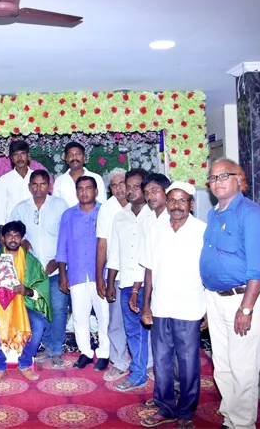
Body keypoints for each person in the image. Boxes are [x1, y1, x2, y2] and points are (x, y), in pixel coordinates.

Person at [200, 158, 260, 429]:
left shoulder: (251, 213)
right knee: (223, 365)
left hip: (242, 299)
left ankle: (243, 424)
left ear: (239, 179)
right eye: (213, 177)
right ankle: (231, 419)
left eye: (224, 176)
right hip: (216, 299)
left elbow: (258, 268)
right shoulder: (213, 214)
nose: (217, 182)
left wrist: (246, 308)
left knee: (243, 368)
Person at [139, 182, 208, 429]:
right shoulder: (155, 230)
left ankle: (186, 412)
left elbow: (209, 271)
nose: (177, 205)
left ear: (191, 204)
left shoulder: (202, 230)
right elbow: (149, 269)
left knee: (189, 364)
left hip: (190, 307)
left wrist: (208, 308)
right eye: (172, 200)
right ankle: (165, 407)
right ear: (166, 203)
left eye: (182, 200)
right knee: (162, 362)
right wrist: (146, 305)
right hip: (161, 306)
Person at [11, 170, 69, 368]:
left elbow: (66, 236)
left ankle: (57, 350)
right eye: (34, 184)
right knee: (39, 310)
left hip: (55, 268)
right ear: (29, 187)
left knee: (58, 309)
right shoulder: (21, 208)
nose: (38, 188)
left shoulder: (60, 205)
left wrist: (58, 261)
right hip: (33, 273)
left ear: (49, 186)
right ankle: (47, 345)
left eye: (42, 184)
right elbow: (12, 234)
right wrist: (23, 241)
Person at [0, 221, 52, 383]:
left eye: (17, 236)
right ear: (3, 238)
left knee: (39, 324)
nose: (13, 239)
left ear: (22, 239)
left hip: (23, 303)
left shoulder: (31, 261)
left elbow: (41, 287)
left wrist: (27, 291)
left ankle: (24, 364)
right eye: (9, 235)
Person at [55, 176, 110, 369]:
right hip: (76, 273)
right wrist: (63, 274)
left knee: (104, 316)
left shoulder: (105, 212)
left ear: (96, 191)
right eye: (80, 188)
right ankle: (85, 352)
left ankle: (104, 353)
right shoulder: (68, 215)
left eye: (88, 188)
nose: (84, 192)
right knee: (79, 316)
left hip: (101, 275)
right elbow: (62, 246)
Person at [104, 168, 152, 388]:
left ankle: (148, 369)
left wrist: (138, 288)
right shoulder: (120, 217)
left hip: (149, 285)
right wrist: (110, 283)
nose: (131, 190)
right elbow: (114, 252)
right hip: (125, 283)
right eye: (128, 186)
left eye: (136, 186)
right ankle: (139, 372)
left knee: (152, 331)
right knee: (133, 330)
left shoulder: (154, 216)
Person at [126, 173, 171, 394]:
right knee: (161, 347)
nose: (150, 196)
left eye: (155, 191)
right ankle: (163, 395)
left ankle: (176, 399)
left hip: (176, 293)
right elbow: (145, 262)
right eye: (147, 192)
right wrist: (137, 291)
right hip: (155, 292)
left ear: (166, 192)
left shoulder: (177, 219)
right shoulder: (150, 222)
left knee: (176, 349)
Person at [95, 168, 138, 380]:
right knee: (116, 321)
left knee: (143, 320)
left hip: (140, 273)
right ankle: (119, 362)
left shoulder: (140, 205)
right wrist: (100, 277)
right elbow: (103, 244)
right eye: (114, 185)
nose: (120, 188)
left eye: (123, 183)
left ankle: (146, 363)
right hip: (116, 273)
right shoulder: (107, 209)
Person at [52, 141, 107, 207]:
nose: (74, 157)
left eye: (78, 154)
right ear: (66, 159)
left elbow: (102, 205)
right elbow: (56, 206)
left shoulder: (96, 178)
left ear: (84, 158)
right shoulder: (59, 181)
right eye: (70, 155)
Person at [1, 140, 34, 215]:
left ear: (28, 156)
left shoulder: (36, 177)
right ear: (12, 158)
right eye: (16, 154)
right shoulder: (4, 180)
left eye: (23, 153)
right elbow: (1, 207)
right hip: (13, 220)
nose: (19, 157)